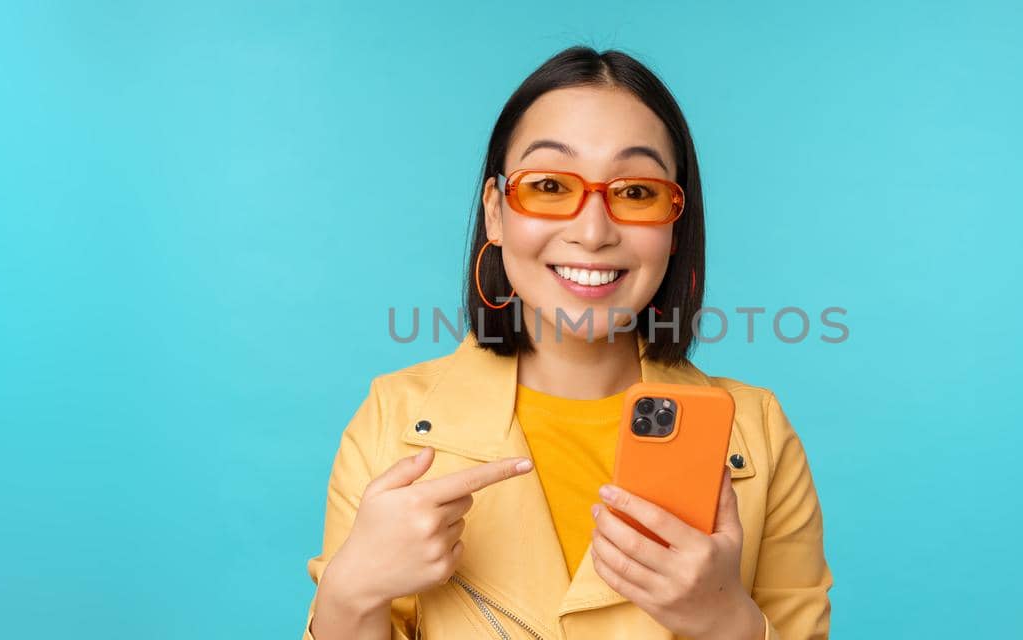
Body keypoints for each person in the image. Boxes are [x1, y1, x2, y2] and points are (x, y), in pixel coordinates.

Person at [302, 45, 833, 639]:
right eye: (550, 184)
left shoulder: (758, 433)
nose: (592, 231)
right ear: (497, 214)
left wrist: (726, 622)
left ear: (674, 227)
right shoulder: (391, 419)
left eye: (636, 192)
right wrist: (351, 593)